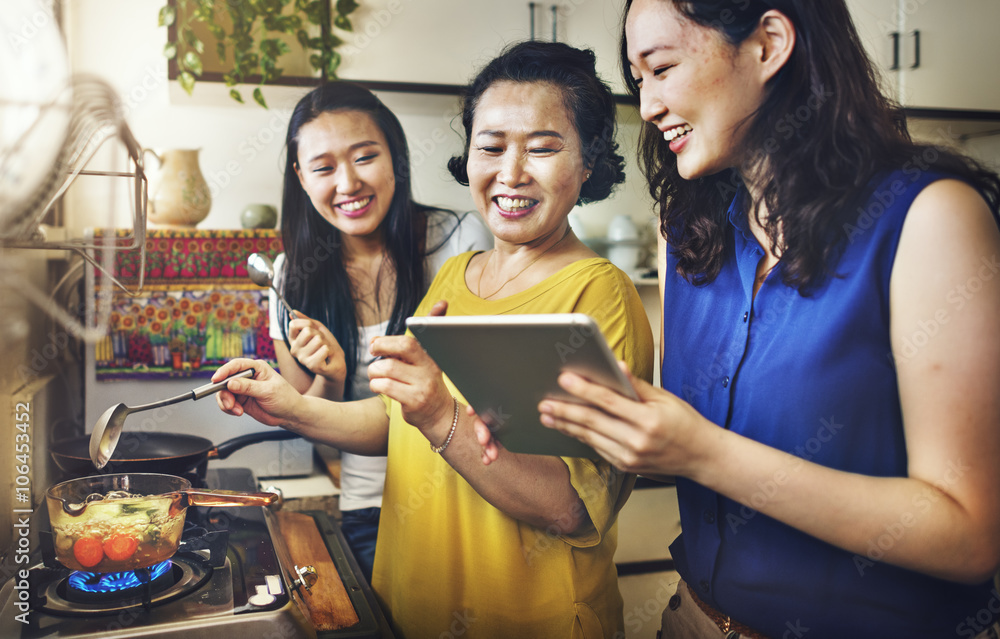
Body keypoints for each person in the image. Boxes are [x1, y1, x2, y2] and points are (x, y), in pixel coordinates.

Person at [520, 1, 1000, 637]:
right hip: (692, 620)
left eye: (662, 67)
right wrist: (566, 418)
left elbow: (969, 537)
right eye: (639, 81)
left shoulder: (929, 218)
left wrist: (702, 451)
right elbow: (684, 445)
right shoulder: (687, 233)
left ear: (769, 43)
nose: (651, 104)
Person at [215, 41, 654, 638]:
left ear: (587, 163)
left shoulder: (599, 296)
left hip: (529, 619)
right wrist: (292, 406)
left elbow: (571, 506)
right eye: (491, 147)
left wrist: (440, 410)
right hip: (414, 604)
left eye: (543, 148)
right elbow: (397, 421)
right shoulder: (455, 275)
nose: (511, 172)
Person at [268, 81, 493, 581]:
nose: (347, 184)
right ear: (301, 177)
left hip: (464, 497)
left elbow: (481, 398)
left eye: (364, 157)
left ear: (396, 157)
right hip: (367, 510)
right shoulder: (288, 276)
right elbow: (312, 424)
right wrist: (331, 376)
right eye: (324, 168)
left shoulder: (458, 241)